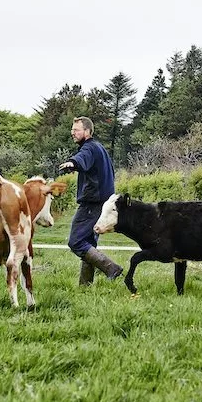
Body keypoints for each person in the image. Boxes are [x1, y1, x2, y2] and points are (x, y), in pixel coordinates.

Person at [58, 116, 123, 285]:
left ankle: (111, 268)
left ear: (87, 131)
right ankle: (85, 286)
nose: (72, 133)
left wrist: (72, 162)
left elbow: (82, 158)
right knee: (88, 244)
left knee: (76, 242)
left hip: (92, 204)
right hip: (103, 203)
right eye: (72, 130)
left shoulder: (89, 148)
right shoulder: (99, 148)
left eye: (76, 130)